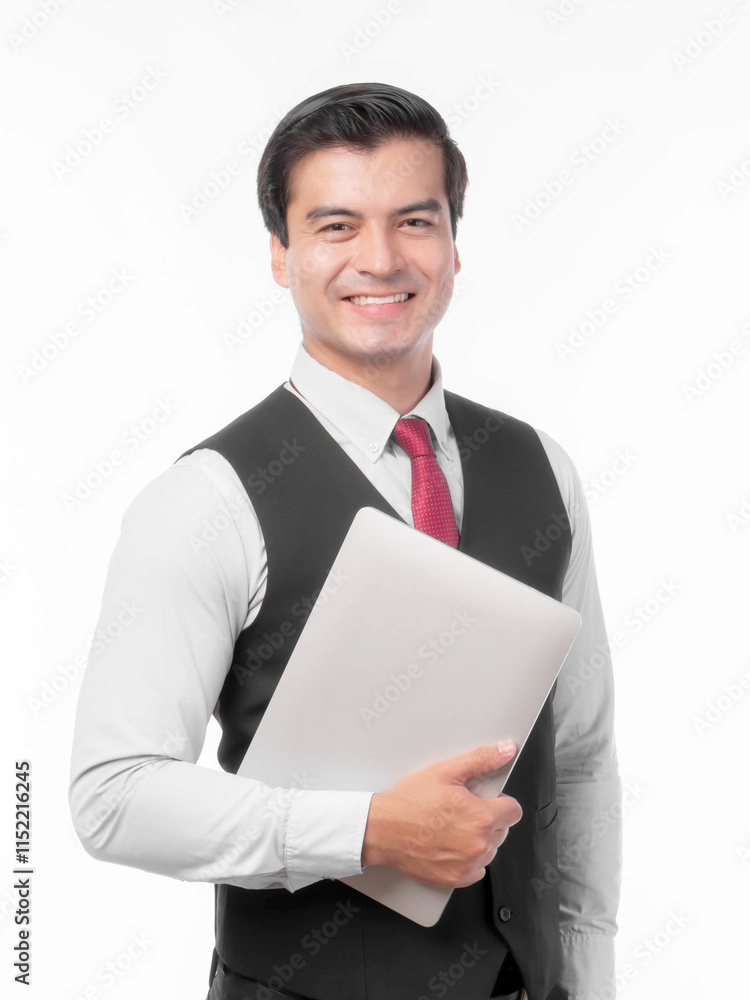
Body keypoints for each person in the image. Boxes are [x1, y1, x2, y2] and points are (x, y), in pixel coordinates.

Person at [69, 82, 622, 1000]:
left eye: (415, 221)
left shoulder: (543, 469)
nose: (380, 258)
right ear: (280, 256)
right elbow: (115, 795)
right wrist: (366, 831)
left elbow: (579, 759)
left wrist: (588, 977)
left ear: (452, 247)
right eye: (334, 227)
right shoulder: (205, 500)